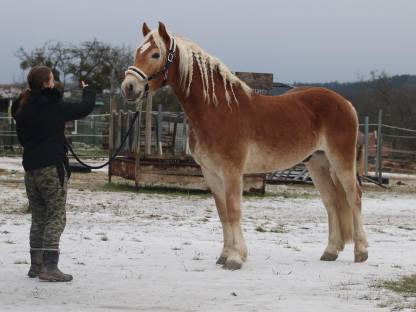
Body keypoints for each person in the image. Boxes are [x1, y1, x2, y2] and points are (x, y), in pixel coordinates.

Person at [12, 65, 96, 282]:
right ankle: (50, 268)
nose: (55, 82)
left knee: (39, 215)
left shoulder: (22, 106)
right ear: (45, 83)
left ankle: (36, 265)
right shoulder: (52, 104)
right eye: (52, 79)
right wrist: (89, 90)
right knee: (56, 215)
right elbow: (84, 108)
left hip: (31, 169)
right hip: (51, 168)